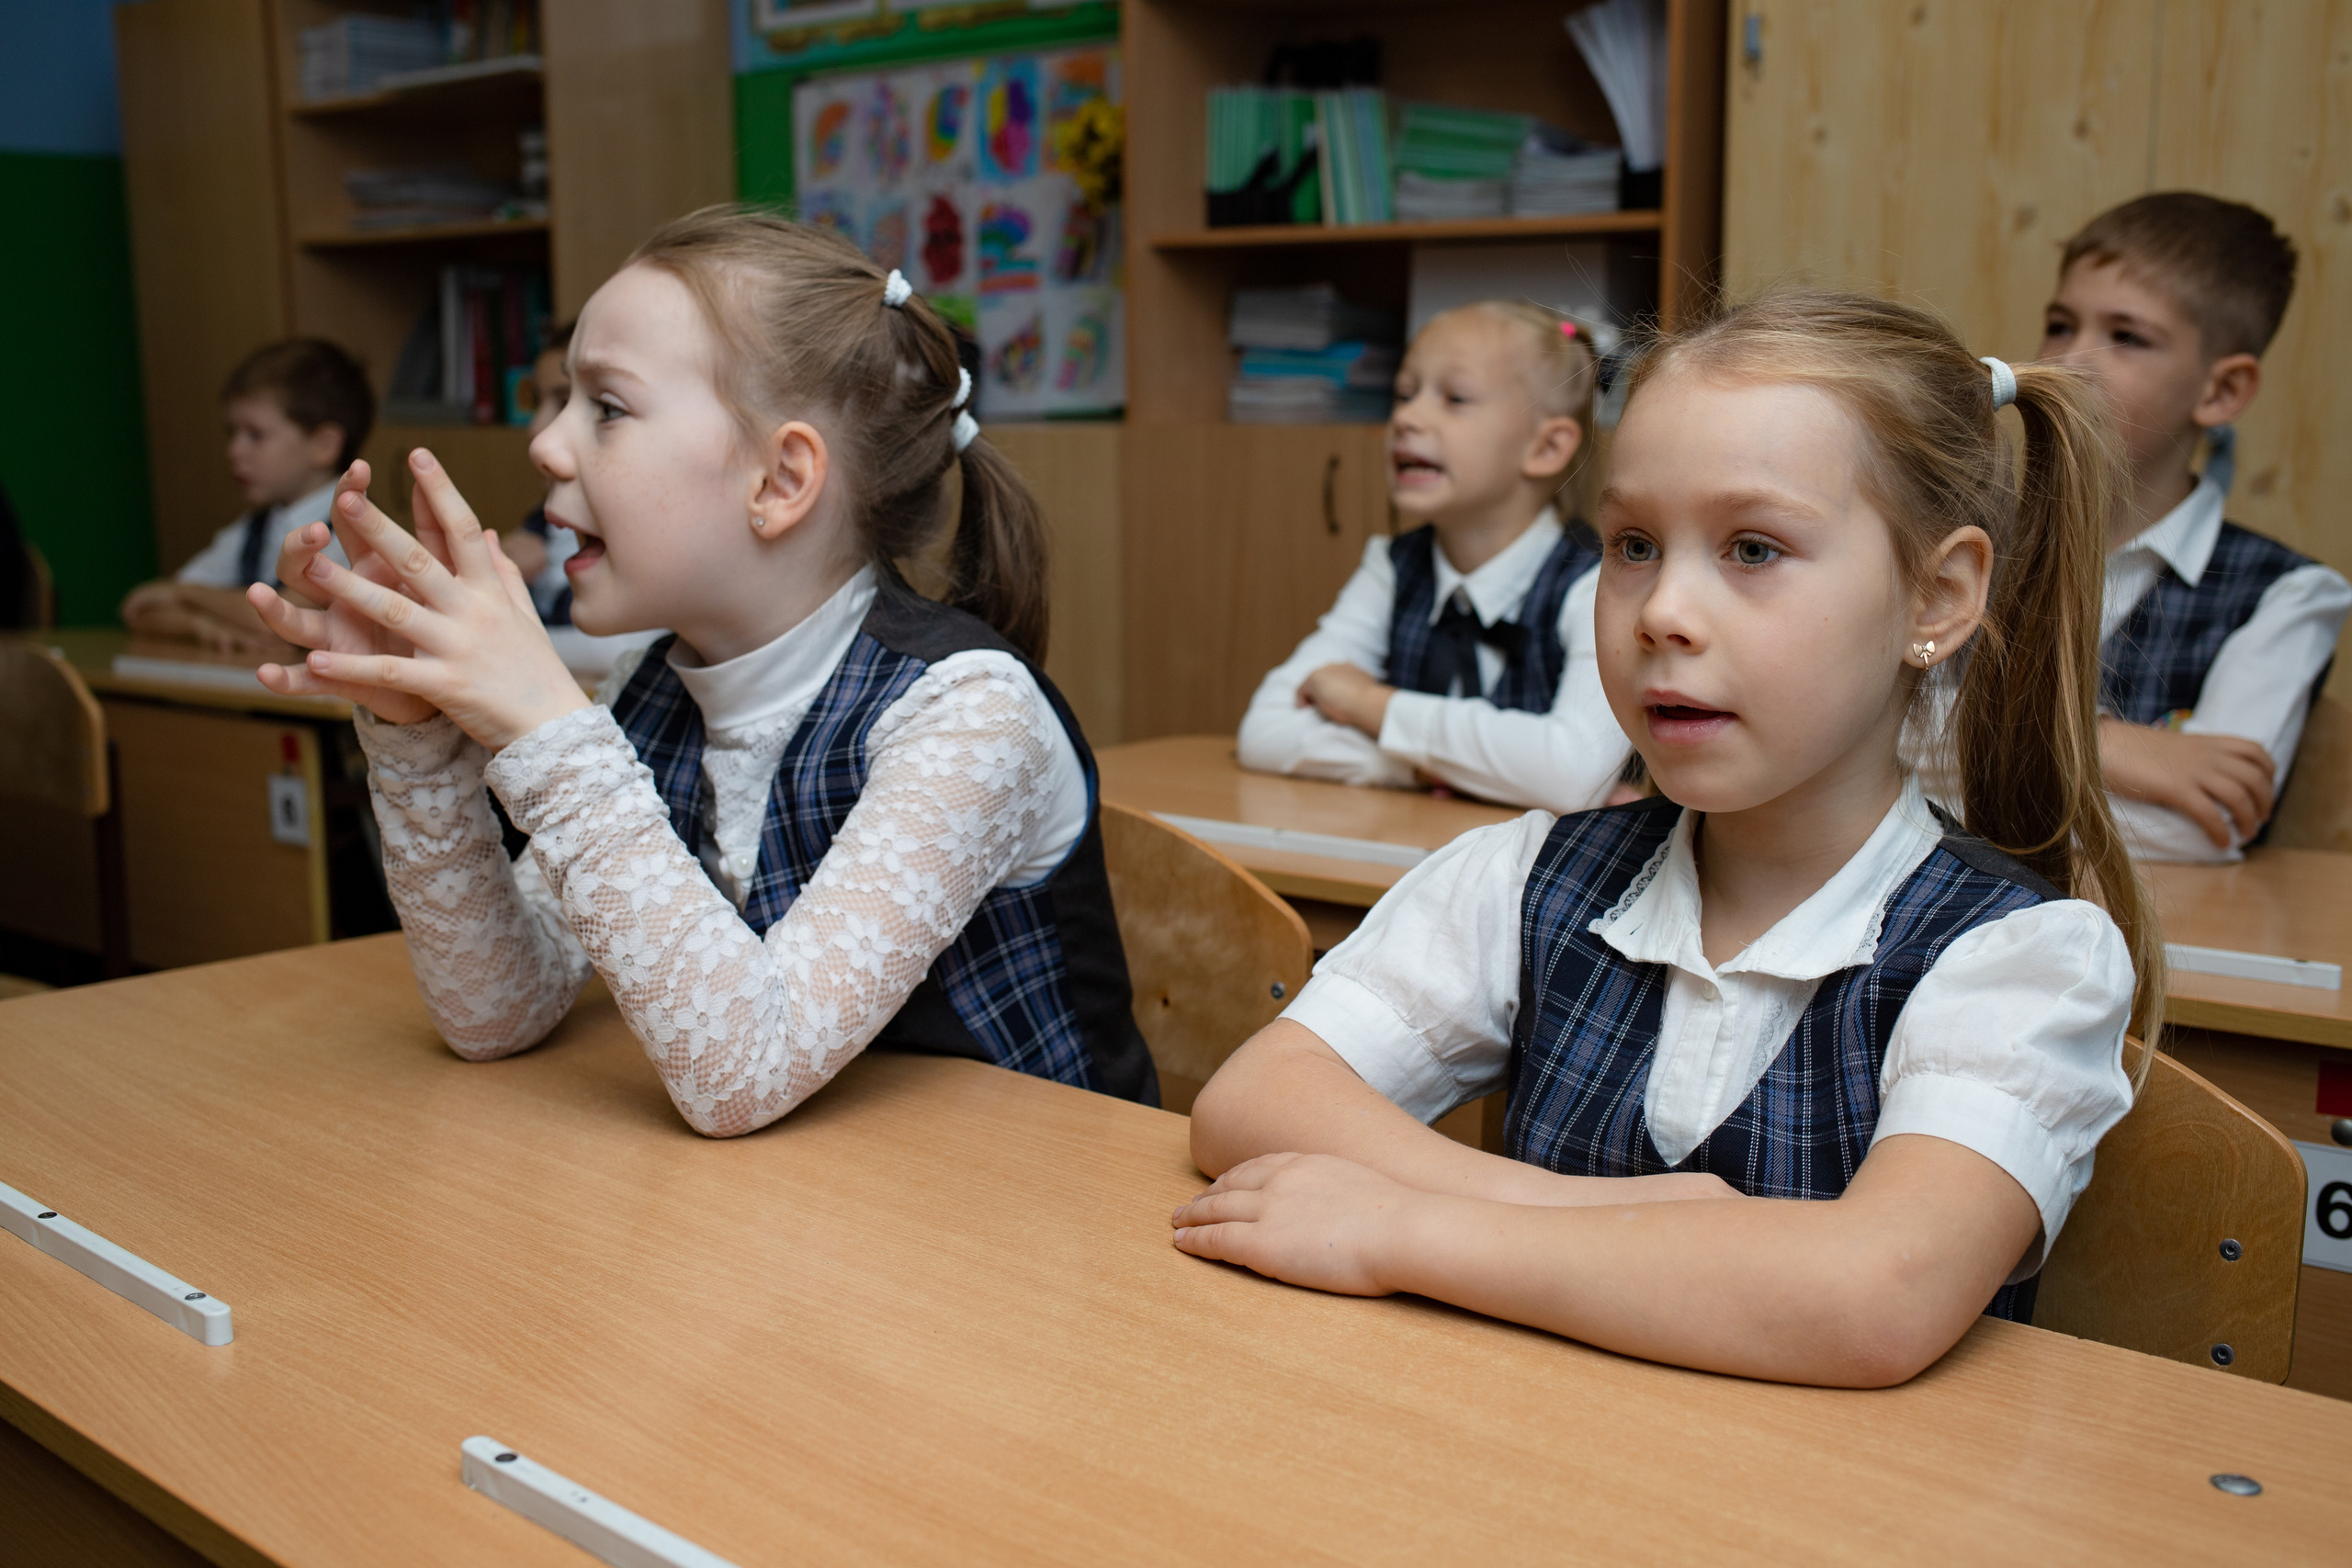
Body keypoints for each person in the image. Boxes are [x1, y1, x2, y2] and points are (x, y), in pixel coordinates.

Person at [1171, 291, 2158, 1389]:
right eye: (1633, 545)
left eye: (1751, 548)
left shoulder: (2022, 959)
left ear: (1936, 596)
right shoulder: (1526, 876)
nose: (1661, 613)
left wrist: (1405, 1230)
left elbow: (1873, 1295)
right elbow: (1255, 1099)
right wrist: (1627, 1219)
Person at [248, 209, 1157, 1134]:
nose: (546, 447)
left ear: (779, 481)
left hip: (1021, 1230)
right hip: (809, 1208)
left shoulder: (969, 713)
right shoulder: (654, 683)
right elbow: (496, 1013)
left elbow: (742, 1073)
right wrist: (418, 740)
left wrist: (550, 732)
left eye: (605, 407)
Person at [2039, 193, 2351, 861]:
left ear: (2222, 392)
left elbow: (2200, 829)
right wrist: (2111, 746)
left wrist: (1949, 770)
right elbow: (1852, 743)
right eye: (2061, 324)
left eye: (2127, 337)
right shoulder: (1971, 547)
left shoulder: (2289, 595)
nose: (2068, 364)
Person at [1237, 301, 1633, 812]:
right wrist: (1425, 768)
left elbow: (1574, 774)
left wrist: (1369, 706)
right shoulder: (1393, 567)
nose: (1406, 418)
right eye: (1404, 394)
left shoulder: (1597, 584)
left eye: (1455, 398)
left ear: (1547, 447)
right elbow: (1265, 729)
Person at [120, 339, 369, 653]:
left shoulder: (353, 533)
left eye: (255, 434)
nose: (234, 451)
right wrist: (202, 625)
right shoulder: (254, 529)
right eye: (232, 433)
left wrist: (189, 595)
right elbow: (142, 609)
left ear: (324, 445)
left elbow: (282, 617)